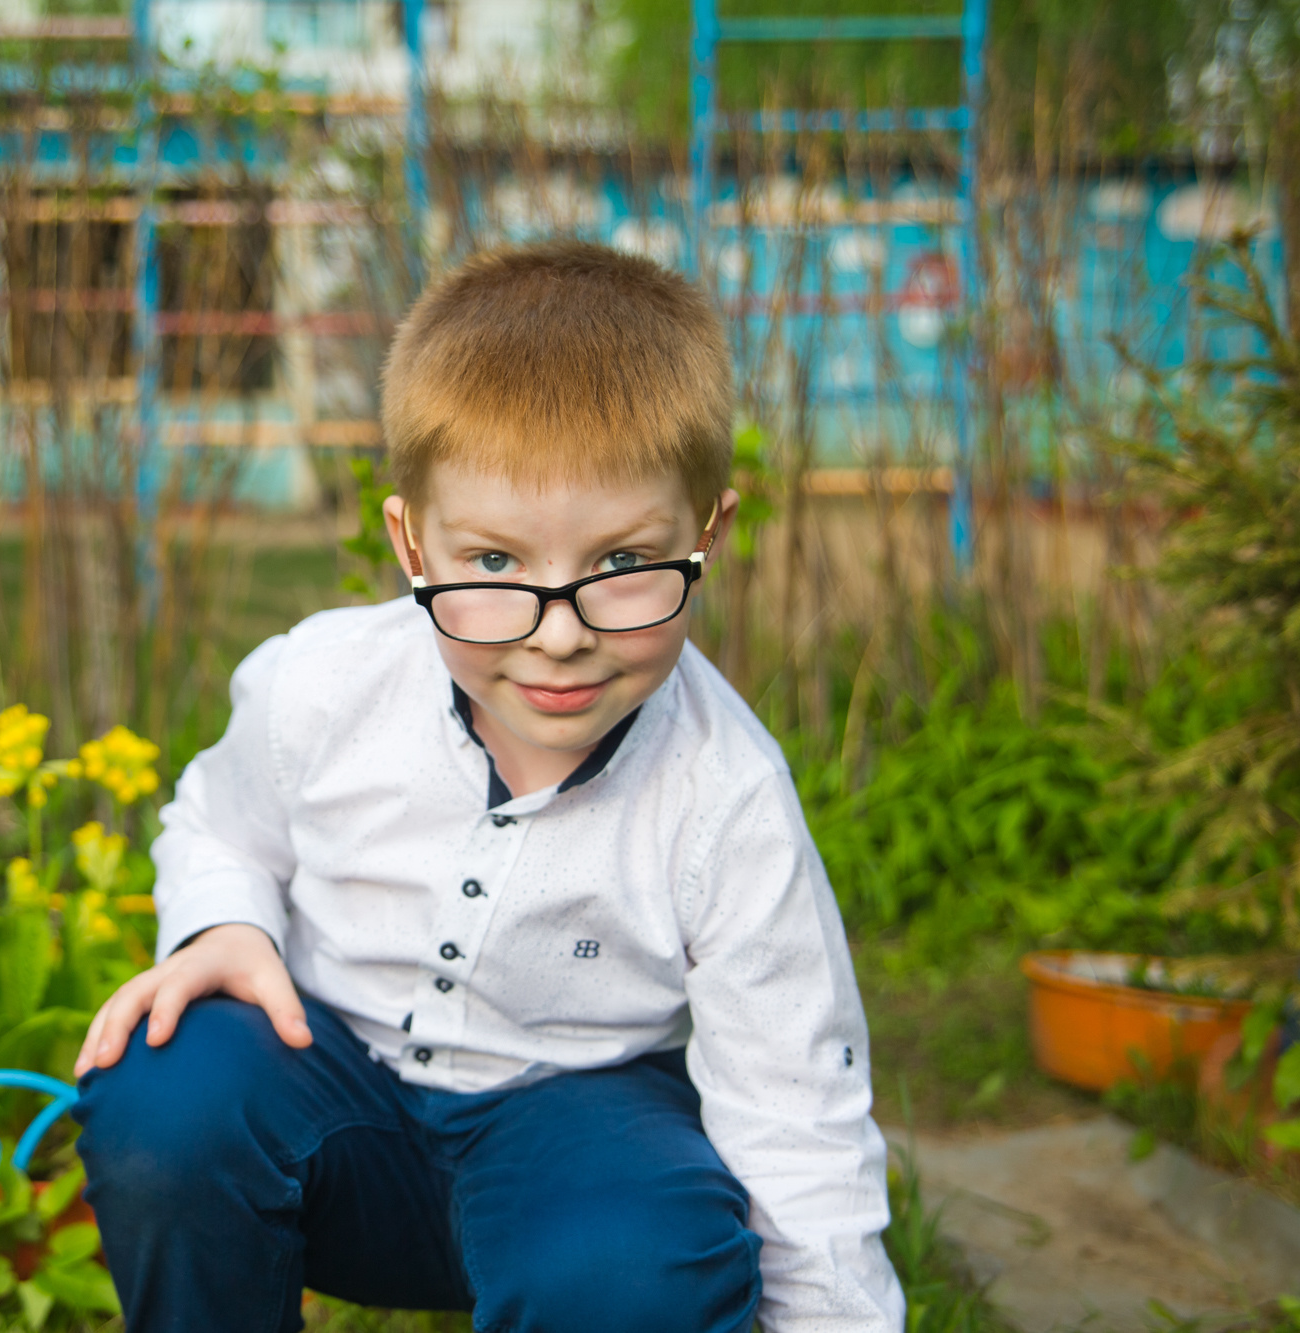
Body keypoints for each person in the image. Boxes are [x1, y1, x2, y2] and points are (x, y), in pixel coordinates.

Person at [71, 240, 901, 1333]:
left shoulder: (726, 796)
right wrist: (223, 922)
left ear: (709, 534)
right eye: (496, 564)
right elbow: (218, 826)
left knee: (631, 1268)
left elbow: (798, 1113)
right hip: (333, 1106)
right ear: (411, 543)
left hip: (578, 1150)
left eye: (621, 565)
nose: (558, 635)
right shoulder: (318, 684)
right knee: (168, 1089)